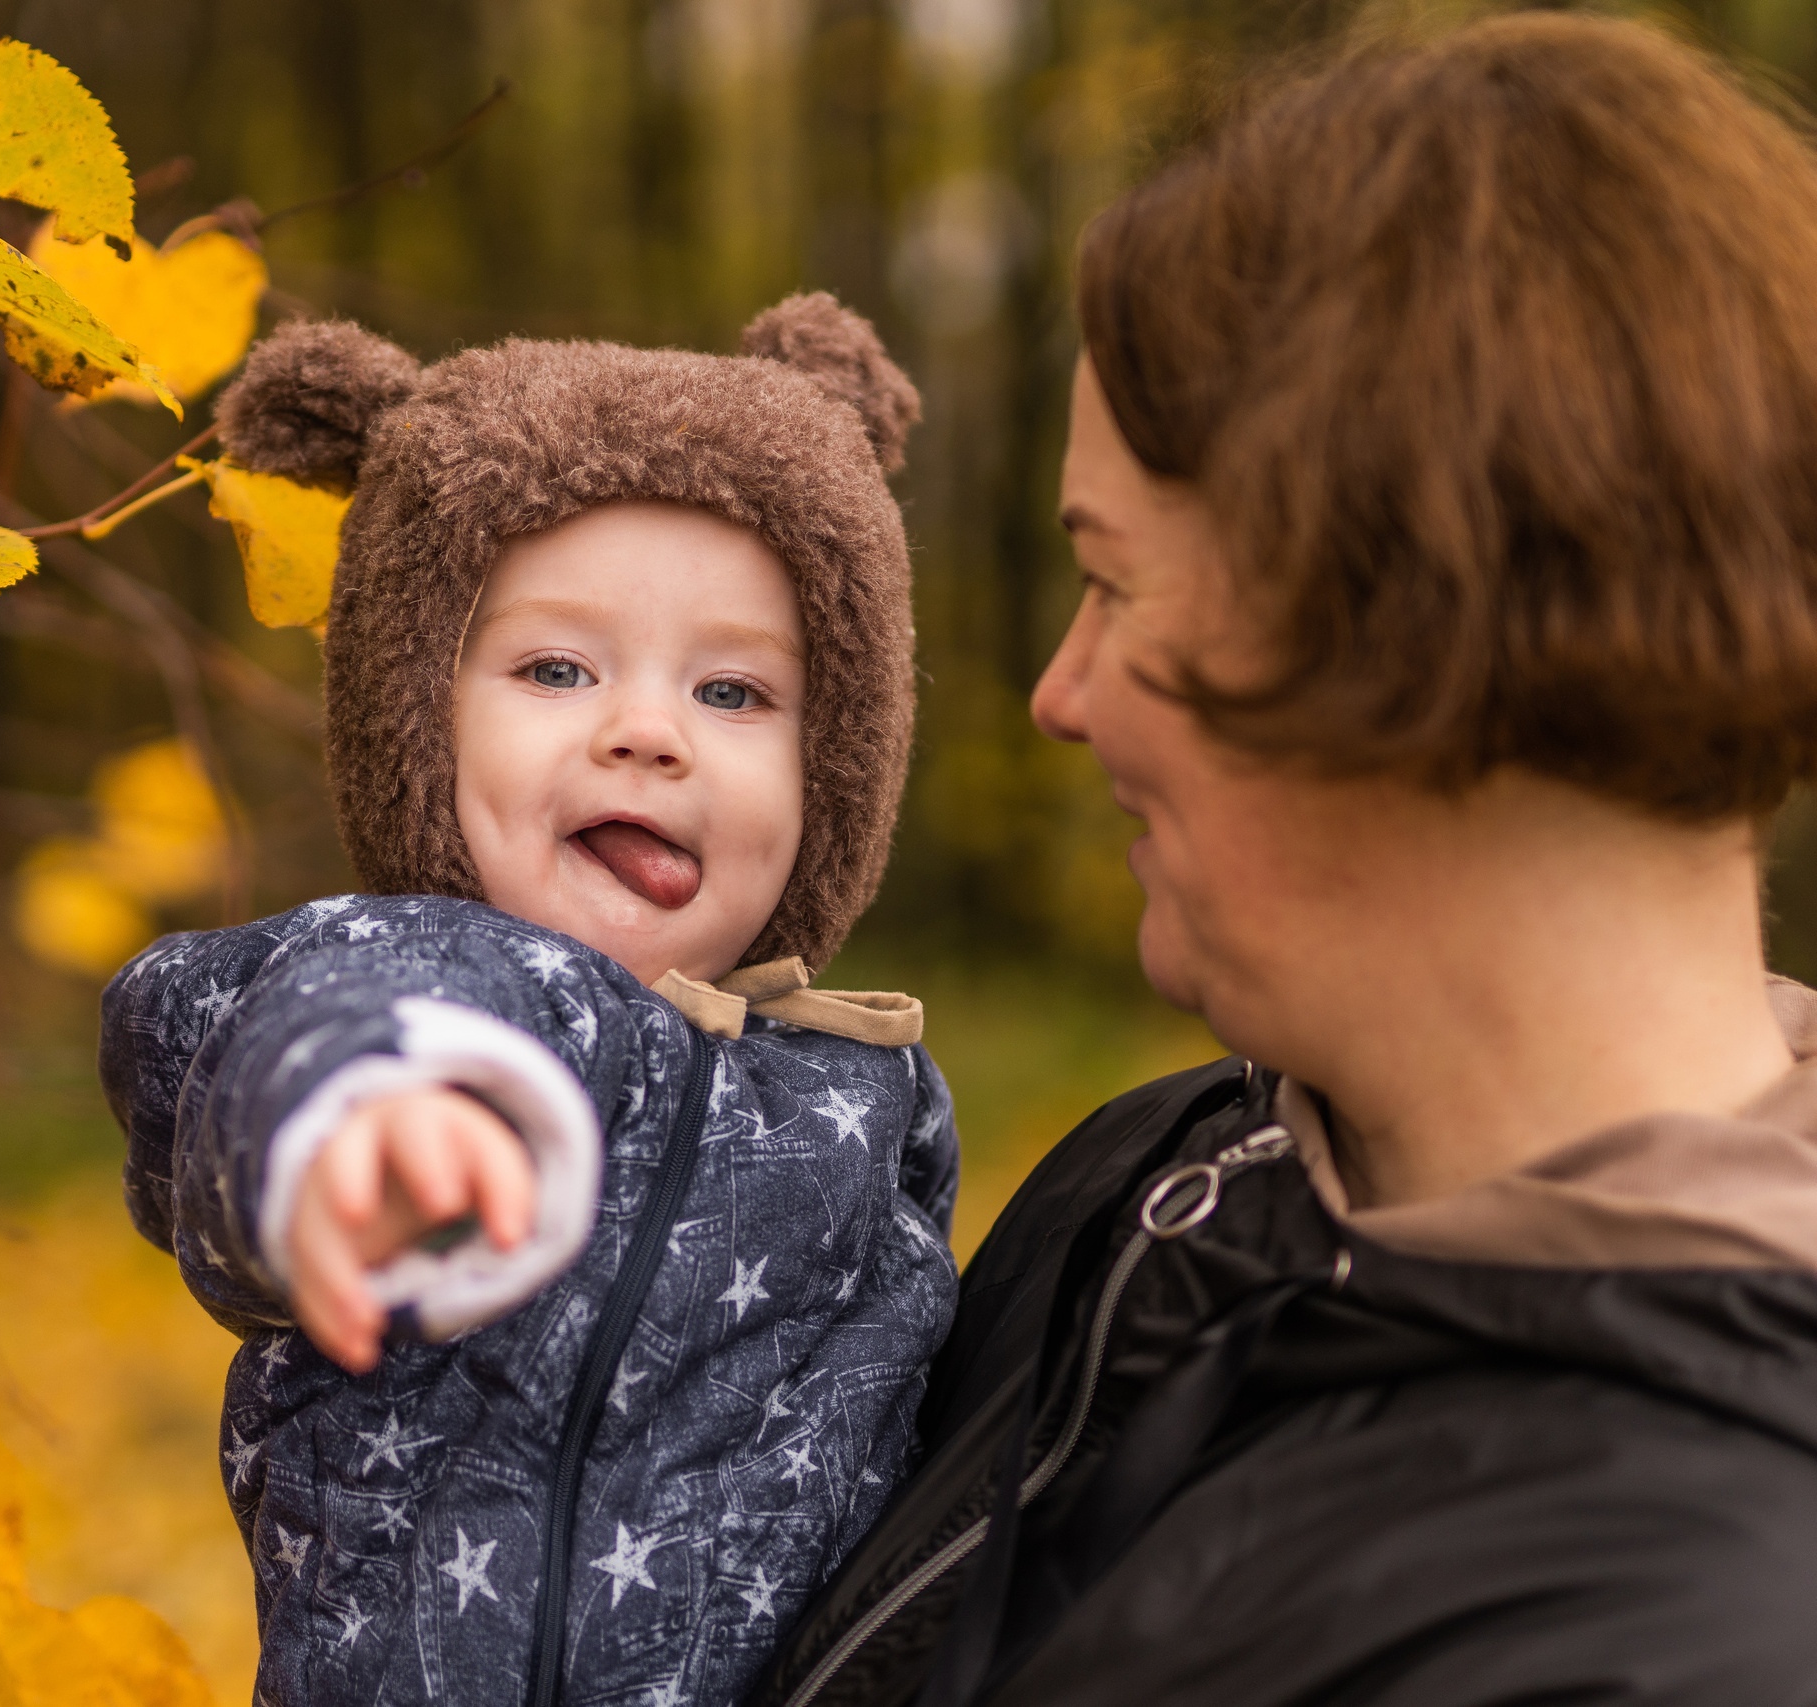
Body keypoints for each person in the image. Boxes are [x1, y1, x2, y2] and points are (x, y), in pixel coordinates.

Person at [755, 14, 1817, 1707]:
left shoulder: (1692, 1636)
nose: (1056, 696)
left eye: (1113, 579)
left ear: (1408, 627)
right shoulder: (1168, 1173)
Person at [100, 297, 961, 1707]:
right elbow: (218, 1033)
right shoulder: (429, 983)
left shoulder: (866, 1090)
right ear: (415, 723)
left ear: (842, 764)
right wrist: (361, 1123)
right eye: (556, 670)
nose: (646, 730)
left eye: (735, 692)